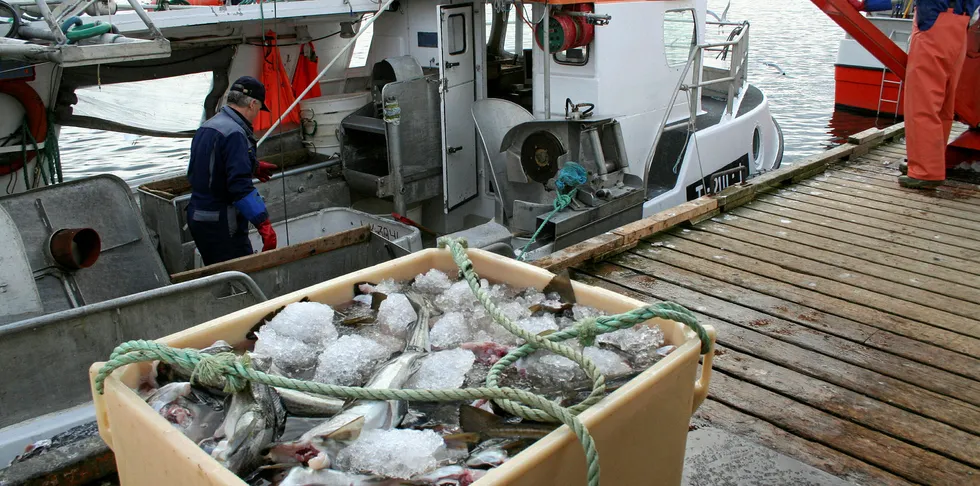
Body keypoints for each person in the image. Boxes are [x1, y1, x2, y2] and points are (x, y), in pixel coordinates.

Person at [186, 76, 279, 265]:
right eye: (259, 109)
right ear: (253, 104)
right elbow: (239, 187)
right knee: (239, 276)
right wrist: (264, 224)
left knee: (217, 273)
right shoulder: (235, 133)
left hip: (199, 216)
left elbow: (206, 168)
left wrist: (251, 165)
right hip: (220, 223)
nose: (257, 114)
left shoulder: (208, 126)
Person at [901, 0, 980, 189]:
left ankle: (925, 172)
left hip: (934, 22)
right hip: (960, 23)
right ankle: (932, 163)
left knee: (923, 103)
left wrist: (867, 4)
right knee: (944, 102)